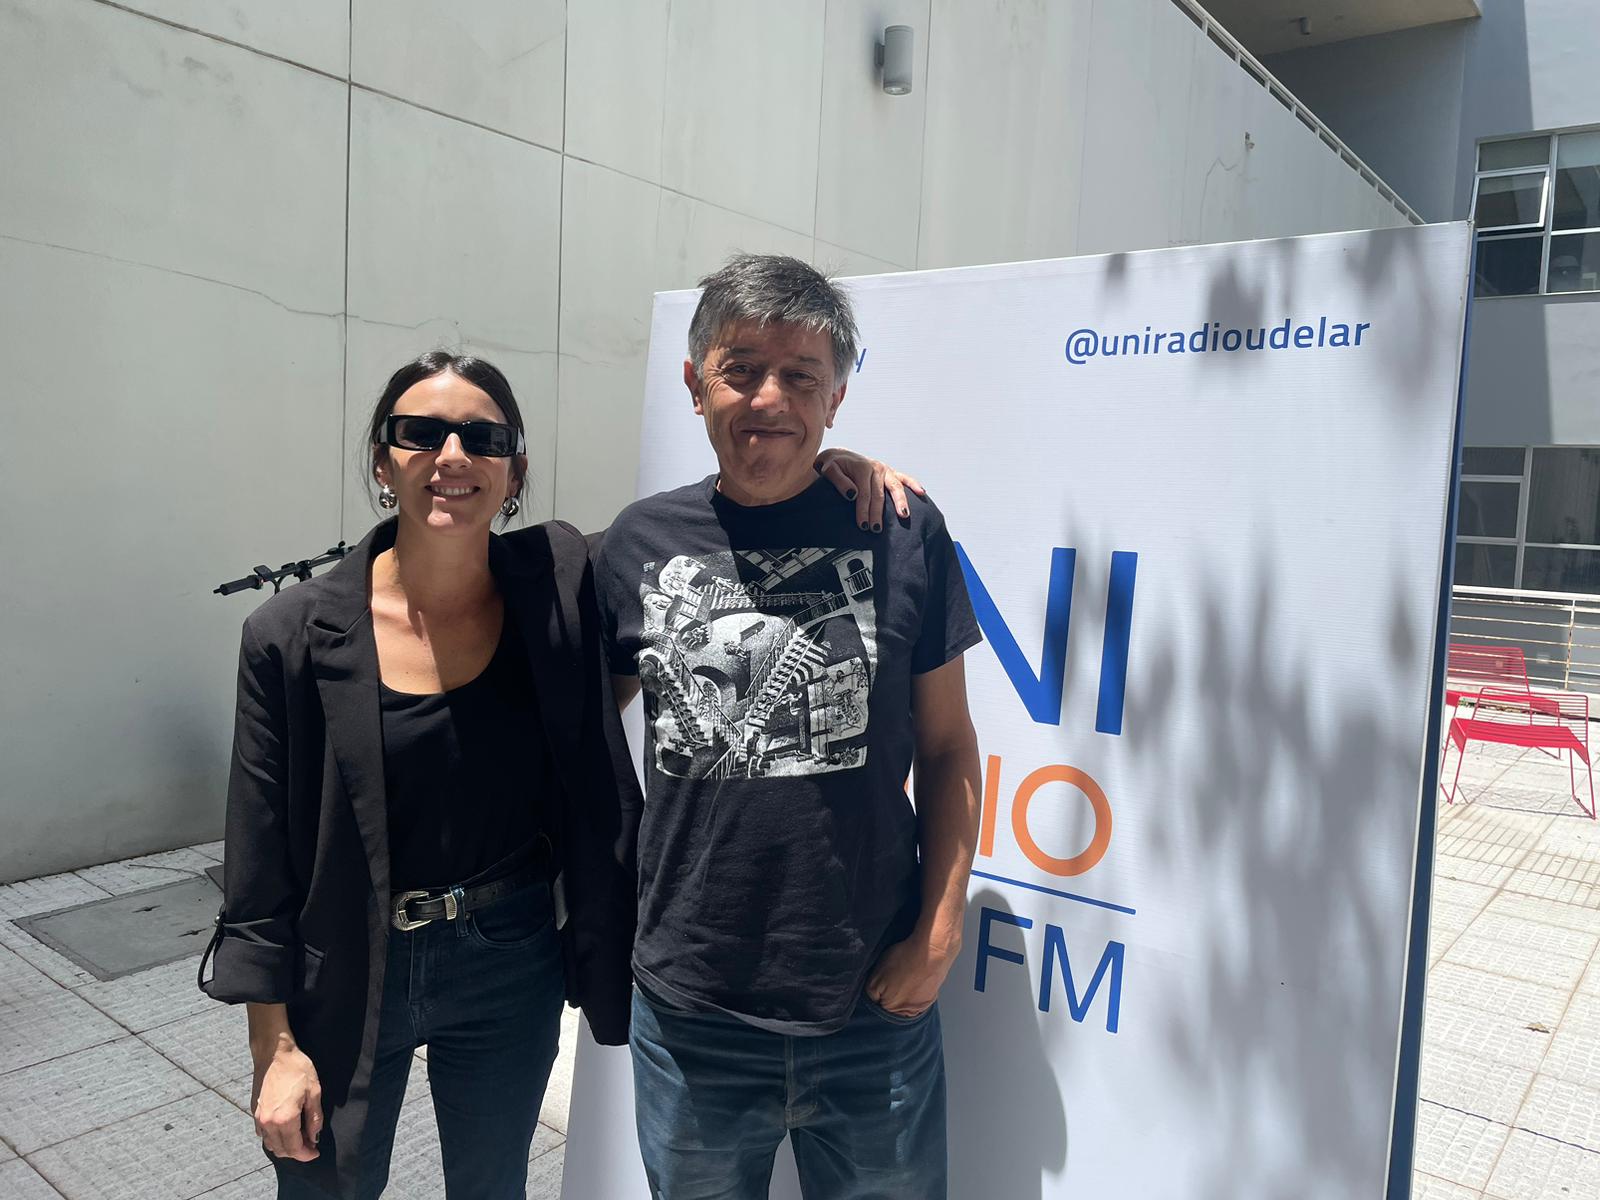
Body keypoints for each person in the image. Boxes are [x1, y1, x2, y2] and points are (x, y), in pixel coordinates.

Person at [198, 350, 912, 1199]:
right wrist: (273, 1046)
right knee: (327, 1188)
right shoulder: (287, 634)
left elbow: (708, 526)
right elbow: (260, 862)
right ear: (384, 463)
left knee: (494, 1186)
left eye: (483, 437)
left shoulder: (559, 581)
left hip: (508, 957)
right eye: (421, 433)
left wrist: (824, 469)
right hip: (351, 955)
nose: (452, 456)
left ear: (515, 469)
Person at [595, 254, 984, 1199]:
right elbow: (579, 736)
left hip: (870, 1008)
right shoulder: (637, 544)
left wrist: (939, 934)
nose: (768, 398)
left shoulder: (901, 532)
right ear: (695, 384)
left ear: (837, 396)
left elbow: (947, 747)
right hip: (690, 1011)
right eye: (740, 370)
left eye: (801, 376)